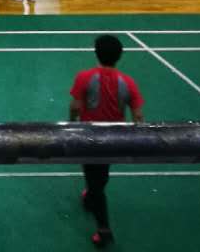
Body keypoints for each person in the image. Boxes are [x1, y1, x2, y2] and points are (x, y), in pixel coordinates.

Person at [69, 35, 144, 249]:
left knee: (95, 180)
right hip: (115, 139)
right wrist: (137, 137)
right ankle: (91, 196)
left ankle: (104, 230)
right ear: (119, 57)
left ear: (96, 53)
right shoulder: (128, 82)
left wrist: (71, 124)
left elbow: (75, 106)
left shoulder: (84, 77)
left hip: (90, 137)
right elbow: (138, 116)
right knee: (99, 173)